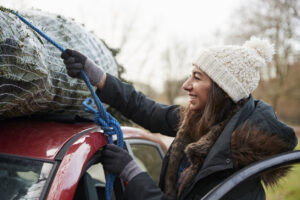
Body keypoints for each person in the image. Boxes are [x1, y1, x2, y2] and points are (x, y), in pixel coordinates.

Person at [61, 37, 298, 200]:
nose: (186, 85)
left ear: (223, 89)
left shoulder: (239, 168)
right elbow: (148, 110)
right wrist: (97, 76)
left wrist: (132, 172)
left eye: (197, 77)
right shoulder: (203, 118)